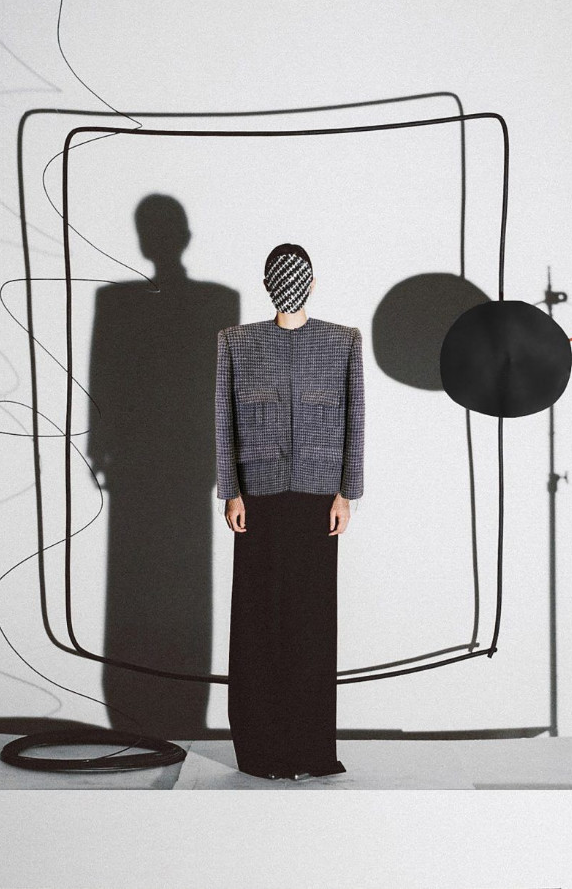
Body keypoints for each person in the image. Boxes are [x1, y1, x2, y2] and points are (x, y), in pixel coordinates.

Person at [215, 243, 364, 781]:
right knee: (257, 624)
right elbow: (224, 417)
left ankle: (310, 750)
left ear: (313, 282)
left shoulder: (343, 341)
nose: (291, 285)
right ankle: (261, 751)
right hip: (258, 496)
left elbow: (355, 420)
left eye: (298, 276)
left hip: (318, 497)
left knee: (311, 626)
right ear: (266, 285)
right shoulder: (237, 342)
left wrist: (347, 492)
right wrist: (231, 491)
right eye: (281, 277)